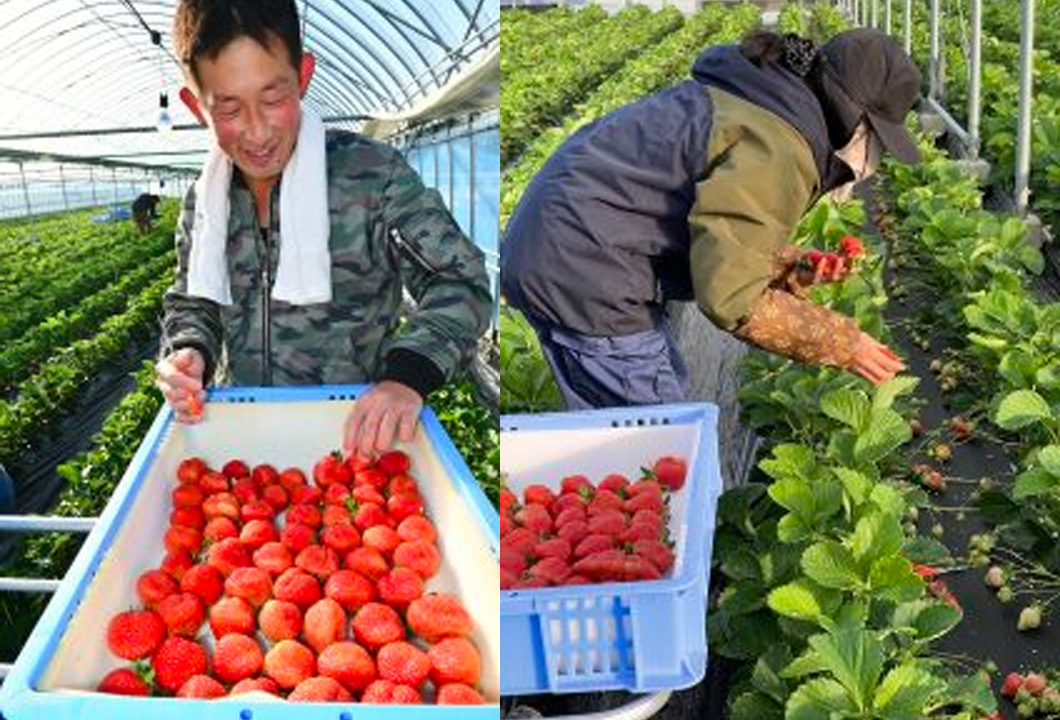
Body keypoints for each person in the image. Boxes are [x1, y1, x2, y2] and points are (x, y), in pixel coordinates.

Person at [501, 28, 918, 409]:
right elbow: (731, 299)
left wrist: (786, 263)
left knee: (629, 428)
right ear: (855, 121)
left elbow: (698, 219)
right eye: (877, 140)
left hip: (568, 247)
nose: (871, 160)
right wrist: (844, 343)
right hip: (587, 269)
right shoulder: (780, 147)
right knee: (657, 435)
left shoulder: (756, 103)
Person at [155, 0, 491, 456]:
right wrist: (191, 349)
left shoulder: (371, 176)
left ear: (304, 76)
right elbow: (194, 299)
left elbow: (461, 280)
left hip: (359, 431)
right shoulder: (206, 199)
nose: (256, 132)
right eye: (229, 109)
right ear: (197, 106)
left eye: (273, 98)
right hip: (247, 434)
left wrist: (407, 376)